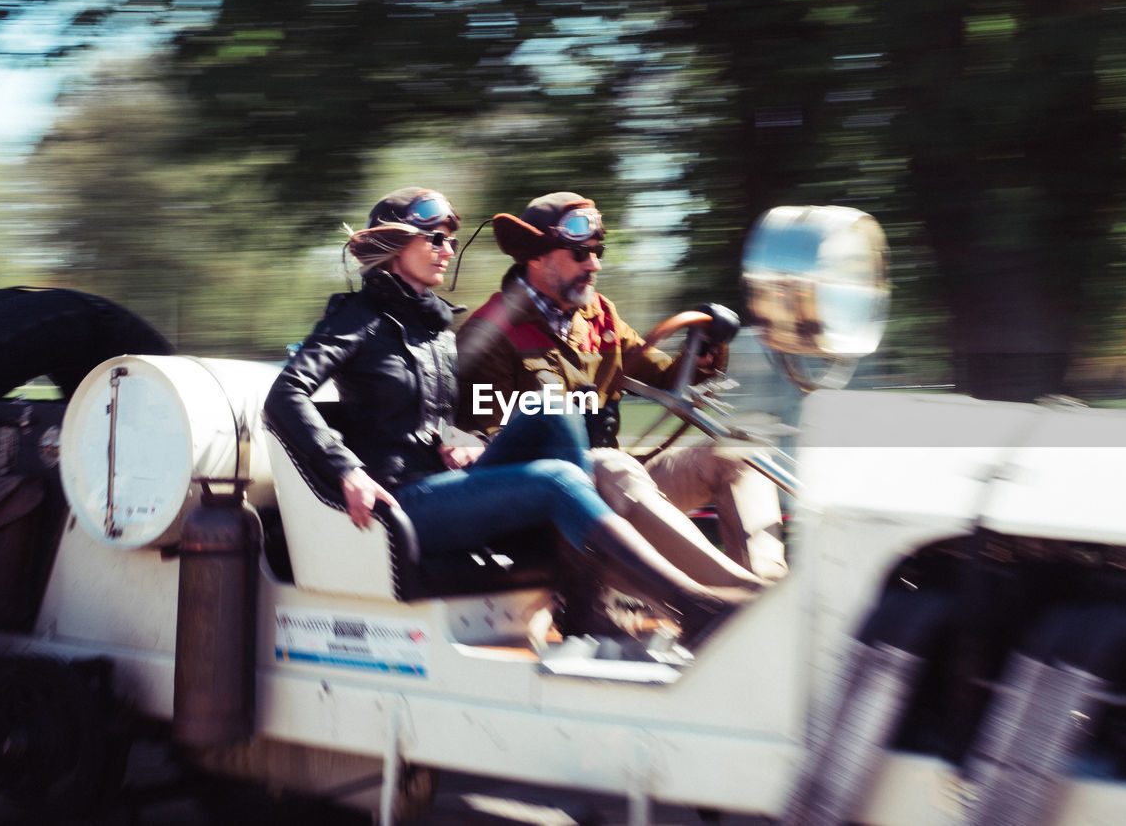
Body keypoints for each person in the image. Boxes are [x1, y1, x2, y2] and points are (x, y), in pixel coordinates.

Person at [263, 187, 752, 647]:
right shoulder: (357, 319)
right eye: (434, 239)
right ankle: (692, 604)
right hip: (401, 499)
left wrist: (463, 434)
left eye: (450, 240)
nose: (447, 250)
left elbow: (448, 412)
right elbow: (286, 394)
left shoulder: (432, 325)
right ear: (396, 244)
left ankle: (583, 602)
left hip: (444, 482)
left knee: (553, 408)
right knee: (556, 479)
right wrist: (346, 470)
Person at [455, 191, 788, 583]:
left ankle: (769, 582)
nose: (593, 264)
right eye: (579, 254)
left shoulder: (599, 316)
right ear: (536, 256)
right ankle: (730, 594)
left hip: (617, 479)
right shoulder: (491, 332)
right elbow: (492, 451)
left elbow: (666, 376)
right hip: (553, 503)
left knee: (740, 451)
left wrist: (702, 354)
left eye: (598, 251)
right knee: (615, 465)